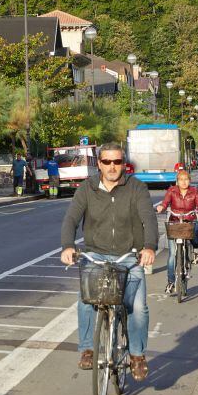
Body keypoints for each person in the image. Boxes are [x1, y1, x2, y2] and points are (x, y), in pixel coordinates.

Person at [60, 142, 157, 382]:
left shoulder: (136, 188)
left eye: (117, 162)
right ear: (99, 164)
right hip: (96, 256)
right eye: (107, 162)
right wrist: (68, 246)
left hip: (129, 257)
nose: (112, 167)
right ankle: (87, 350)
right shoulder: (87, 188)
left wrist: (149, 247)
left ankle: (136, 356)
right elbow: (71, 218)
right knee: (85, 301)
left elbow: (149, 219)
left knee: (138, 309)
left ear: (124, 163)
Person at [155, 169, 198, 293]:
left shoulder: (194, 191)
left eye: (186, 179)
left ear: (189, 181)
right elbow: (165, 203)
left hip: (189, 221)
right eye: (181, 179)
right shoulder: (171, 191)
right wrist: (161, 207)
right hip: (174, 223)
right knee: (172, 256)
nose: (184, 182)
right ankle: (170, 282)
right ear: (177, 181)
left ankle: (195, 250)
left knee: (195, 228)